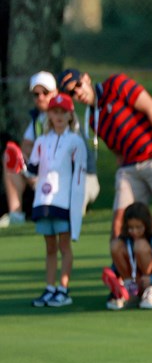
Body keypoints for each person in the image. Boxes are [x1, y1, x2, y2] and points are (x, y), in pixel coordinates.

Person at [58, 68, 152, 299]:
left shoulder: (116, 84)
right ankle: (123, 282)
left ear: (86, 78)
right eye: (72, 93)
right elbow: (116, 148)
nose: (78, 94)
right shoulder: (93, 118)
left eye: (78, 86)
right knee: (119, 224)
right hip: (129, 168)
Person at [24, 94, 87, 307]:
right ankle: (50, 288)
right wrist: (18, 165)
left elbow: (79, 174)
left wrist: (77, 204)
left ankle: (63, 288)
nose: (59, 116)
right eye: (55, 112)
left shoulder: (76, 141)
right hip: (43, 200)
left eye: (63, 112)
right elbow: (32, 168)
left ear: (70, 115)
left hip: (64, 202)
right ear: (48, 115)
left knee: (64, 246)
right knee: (50, 248)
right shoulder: (41, 141)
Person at [2, 72, 56, 228]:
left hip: (73, 178)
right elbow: (25, 146)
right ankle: (16, 215)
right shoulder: (38, 118)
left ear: (55, 93)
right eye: (36, 94)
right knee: (10, 156)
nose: (40, 97)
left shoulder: (64, 115)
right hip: (43, 172)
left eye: (45, 93)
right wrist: (32, 167)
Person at [103, 202, 152, 310]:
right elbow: (117, 267)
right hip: (137, 280)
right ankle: (130, 291)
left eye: (139, 227)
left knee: (140, 245)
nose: (134, 231)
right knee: (115, 245)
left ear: (146, 225)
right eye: (131, 228)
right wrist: (112, 278)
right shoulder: (126, 239)